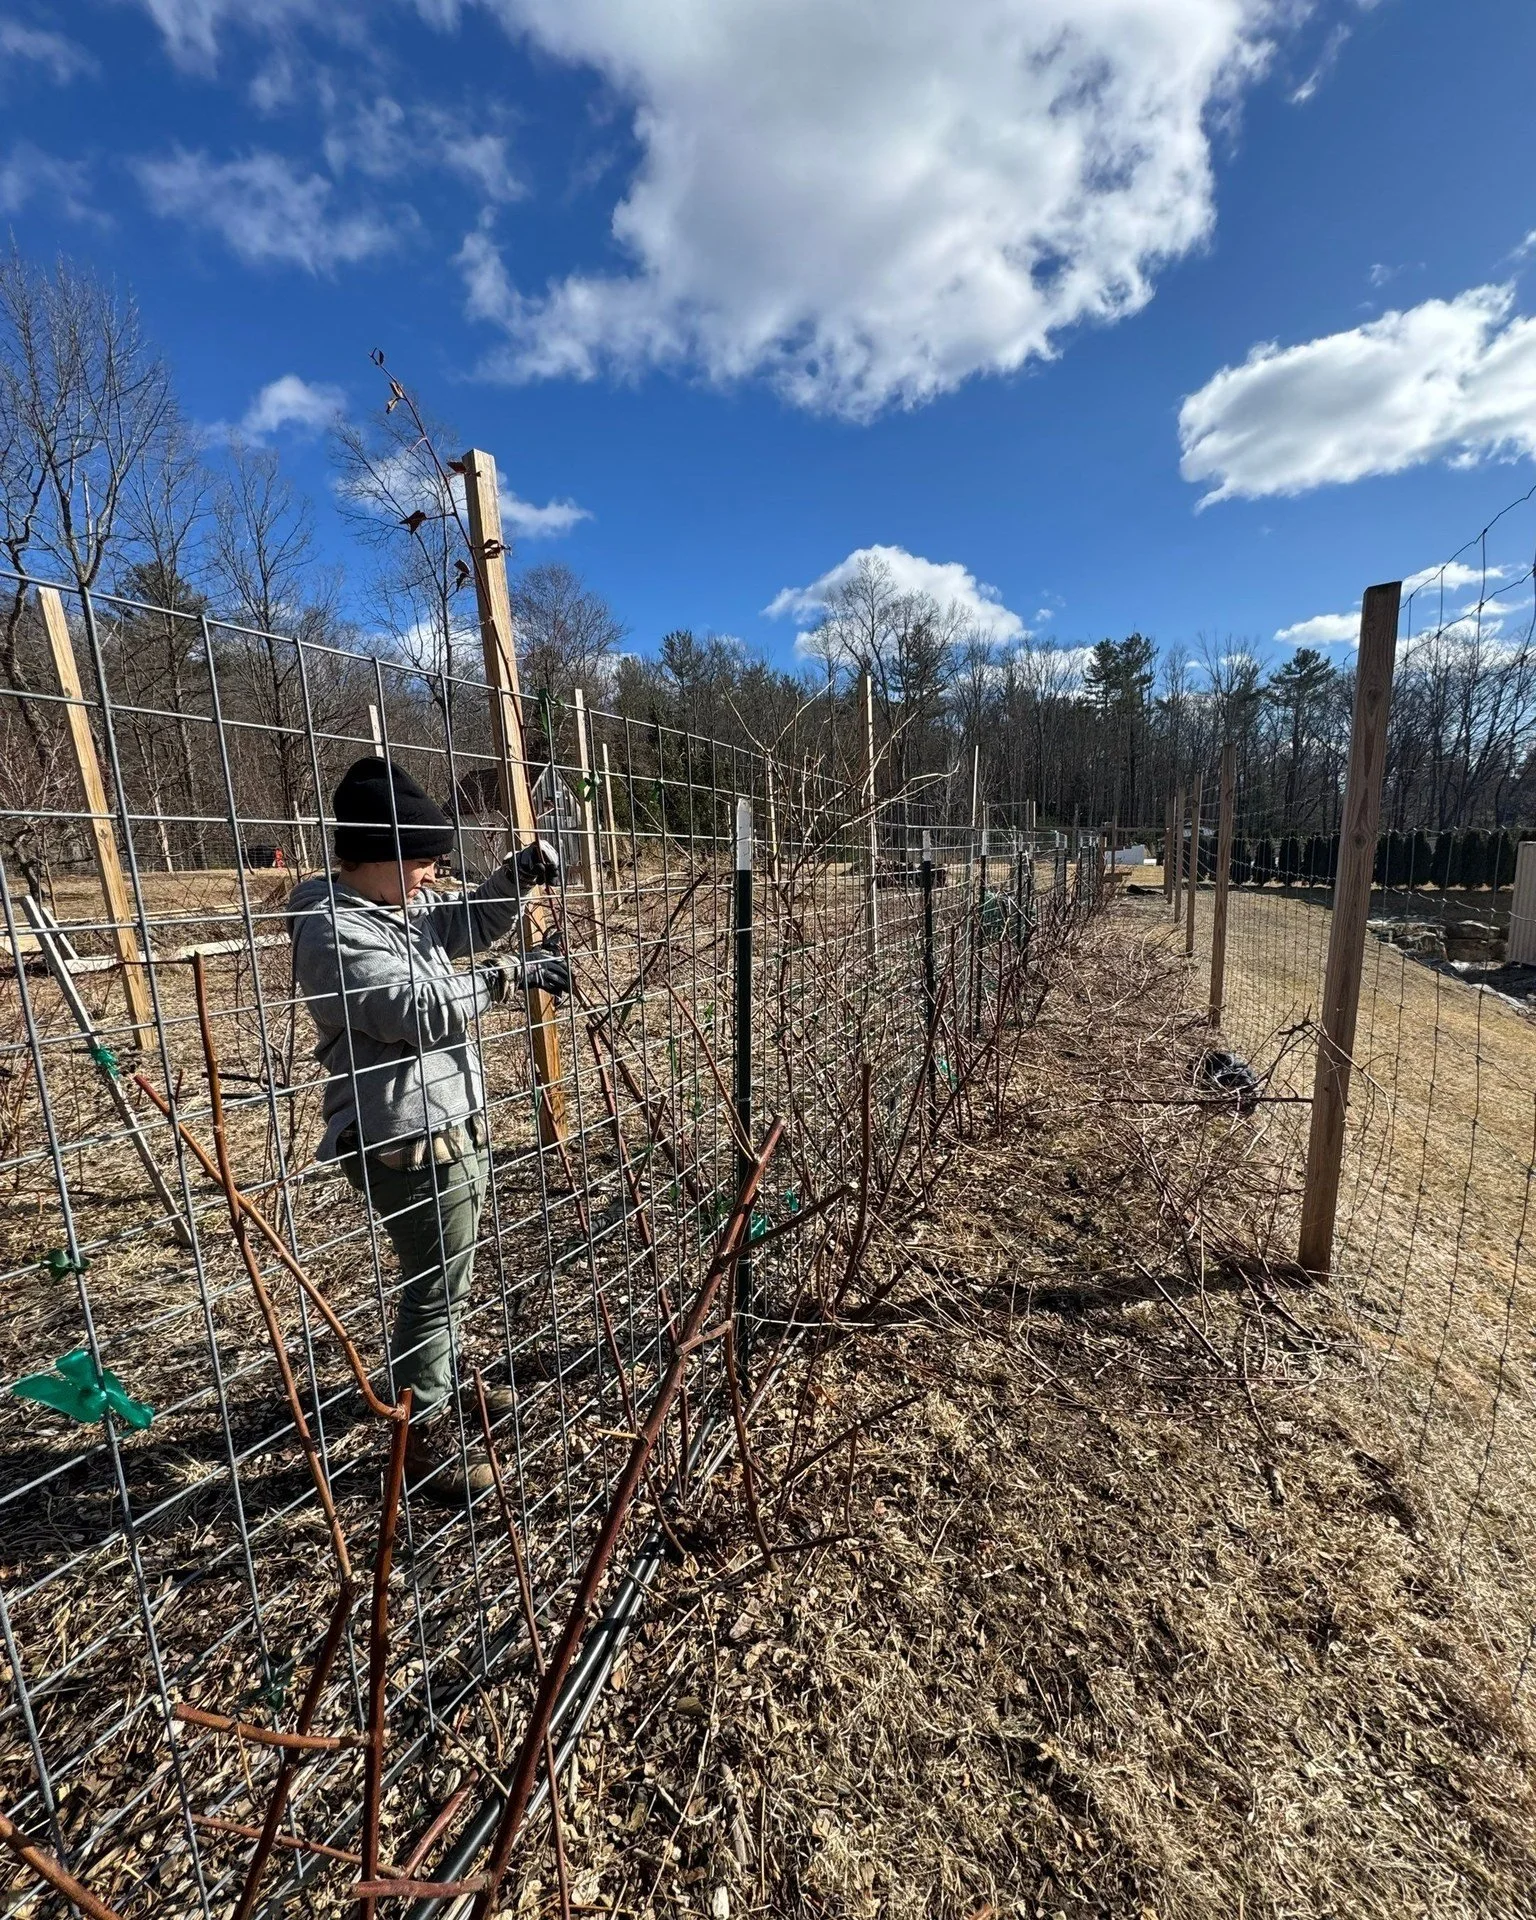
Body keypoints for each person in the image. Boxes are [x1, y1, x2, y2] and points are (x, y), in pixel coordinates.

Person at [288, 755, 570, 1497]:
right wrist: (510, 975)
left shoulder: (396, 907)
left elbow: (466, 921)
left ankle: (437, 1374)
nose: (432, 876)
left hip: (444, 1125)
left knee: (447, 1277)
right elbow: (413, 1010)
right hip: (407, 1142)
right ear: (378, 855)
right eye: (422, 862)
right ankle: (423, 1436)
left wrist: (517, 876)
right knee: (434, 1289)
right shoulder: (332, 930)